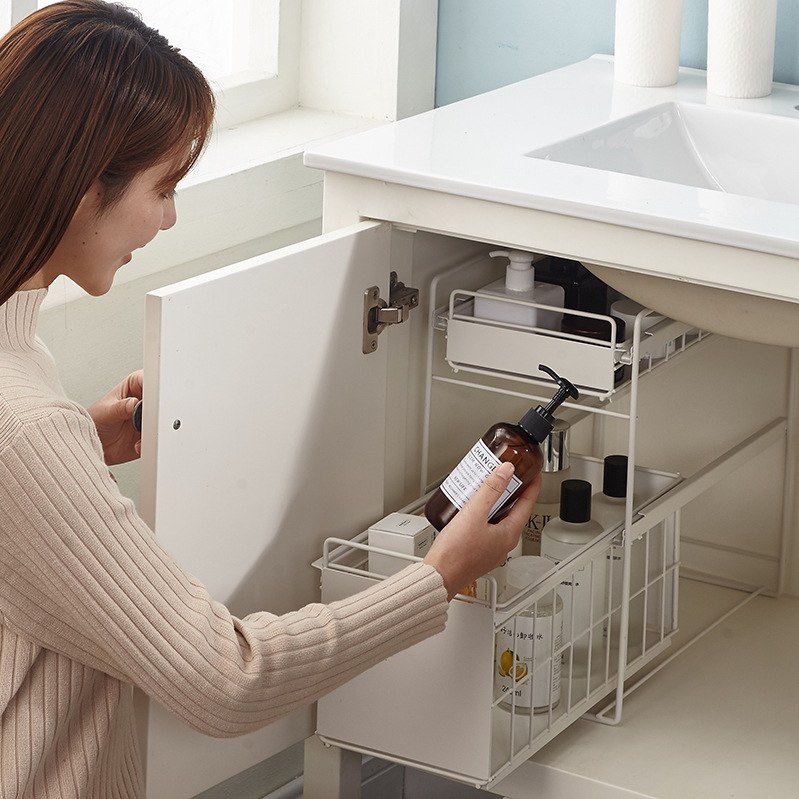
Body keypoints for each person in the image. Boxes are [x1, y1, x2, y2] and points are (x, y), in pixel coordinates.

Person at [0, 2, 540, 797]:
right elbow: (228, 679)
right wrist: (438, 574)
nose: (169, 217)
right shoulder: (27, 428)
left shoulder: (21, 377)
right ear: (84, 187)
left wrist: (77, 443)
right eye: (164, 187)